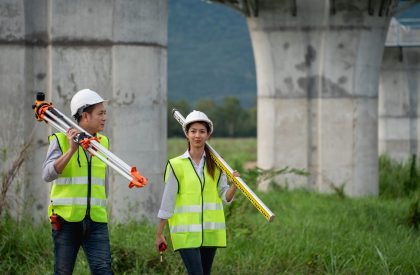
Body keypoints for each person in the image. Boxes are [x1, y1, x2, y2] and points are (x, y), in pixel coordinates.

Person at [155, 110, 239, 275]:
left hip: (210, 233)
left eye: (202, 131)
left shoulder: (217, 165)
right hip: (186, 235)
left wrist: (235, 185)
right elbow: (168, 201)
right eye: (193, 131)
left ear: (208, 135)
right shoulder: (176, 165)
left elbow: (225, 196)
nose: (197, 135)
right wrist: (159, 232)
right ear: (187, 134)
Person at [42, 89, 113, 275]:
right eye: (101, 113)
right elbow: (47, 174)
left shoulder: (103, 143)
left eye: (105, 113)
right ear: (85, 116)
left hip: (96, 220)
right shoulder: (60, 140)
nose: (104, 117)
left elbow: (103, 184)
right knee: (63, 271)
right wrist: (71, 150)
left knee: (104, 270)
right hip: (66, 220)